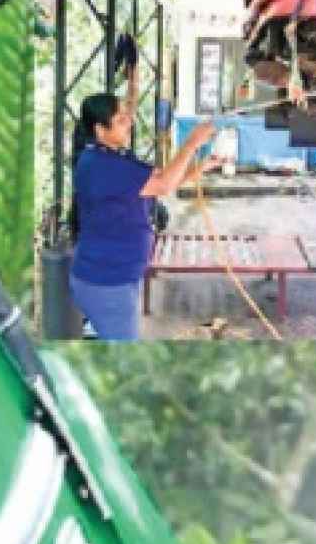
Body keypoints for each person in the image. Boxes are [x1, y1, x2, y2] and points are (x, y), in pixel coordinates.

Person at [69, 53, 219, 340]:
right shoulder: (102, 166)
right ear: (101, 130)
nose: (130, 123)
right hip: (107, 284)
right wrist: (192, 142)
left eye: (128, 117)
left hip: (115, 277)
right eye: (122, 120)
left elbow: (160, 184)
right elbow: (163, 185)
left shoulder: (105, 157)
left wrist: (200, 167)